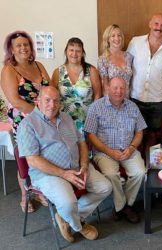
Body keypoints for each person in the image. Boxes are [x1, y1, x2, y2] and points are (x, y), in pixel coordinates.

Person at [17, 86, 112, 243]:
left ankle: (66, 217)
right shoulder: (28, 124)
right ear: (38, 101)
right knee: (68, 203)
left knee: (105, 187)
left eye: (56, 101)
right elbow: (32, 160)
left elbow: (81, 143)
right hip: (48, 174)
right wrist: (63, 173)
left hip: (76, 167)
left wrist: (84, 164)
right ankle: (79, 226)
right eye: (47, 100)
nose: (52, 105)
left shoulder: (66, 117)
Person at [84, 77, 147, 224]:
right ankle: (121, 206)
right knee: (111, 174)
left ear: (125, 90)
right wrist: (109, 151)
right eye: (115, 88)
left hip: (128, 150)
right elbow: (90, 135)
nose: (118, 91)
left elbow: (139, 132)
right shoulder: (96, 107)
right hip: (105, 152)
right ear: (108, 89)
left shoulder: (132, 107)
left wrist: (131, 148)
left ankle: (127, 205)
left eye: (121, 88)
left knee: (140, 172)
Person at [0, 30, 51, 213]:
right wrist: (41, 114)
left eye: (26, 44)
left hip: (45, 119)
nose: (23, 48)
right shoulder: (9, 70)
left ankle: (39, 191)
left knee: (43, 156)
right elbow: (15, 101)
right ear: (12, 50)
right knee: (27, 158)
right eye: (18, 45)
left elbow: (50, 89)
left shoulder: (38, 65)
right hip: (25, 122)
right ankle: (25, 196)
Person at [127, 13, 162, 150]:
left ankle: (150, 168)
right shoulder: (135, 42)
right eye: (156, 24)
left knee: (153, 136)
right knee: (135, 134)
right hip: (135, 98)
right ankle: (138, 168)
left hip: (157, 101)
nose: (159, 27)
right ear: (150, 24)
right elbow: (125, 68)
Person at [51, 37, 101, 135]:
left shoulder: (91, 70)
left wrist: (93, 118)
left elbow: (98, 95)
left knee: (86, 149)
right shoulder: (58, 72)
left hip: (87, 120)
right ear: (66, 52)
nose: (74, 54)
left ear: (82, 53)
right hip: (63, 120)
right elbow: (53, 96)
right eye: (71, 50)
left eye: (78, 51)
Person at [98, 24, 133, 96]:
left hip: (128, 101)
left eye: (119, 35)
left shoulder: (128, 56)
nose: (117, 38)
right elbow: (105, 88)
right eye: (113, 36)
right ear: (108, 39)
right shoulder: (103, 59)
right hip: (112, 102)